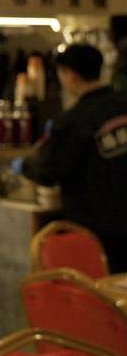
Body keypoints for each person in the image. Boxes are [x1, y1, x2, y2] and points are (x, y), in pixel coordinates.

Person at [19, 43, 127, 272]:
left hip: (97, 231)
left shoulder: (73, 120)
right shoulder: (123, 105)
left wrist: (24, 166)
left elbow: (48, 172)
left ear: (70, 74)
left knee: (100, 290)